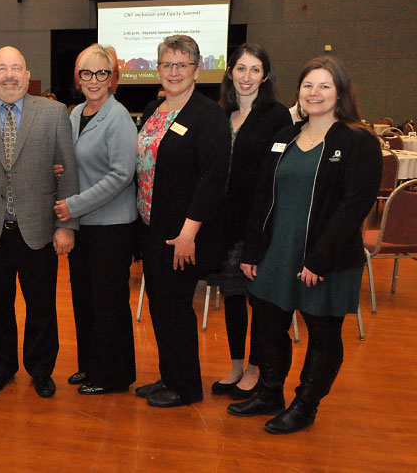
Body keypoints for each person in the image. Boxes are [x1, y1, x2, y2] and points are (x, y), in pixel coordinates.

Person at [228, 57, 382, 434]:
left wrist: (320, 258)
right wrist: (251, 250)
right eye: (308, 86)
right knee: (268, 325)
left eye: (324, 86)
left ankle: (305, 404)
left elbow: (354, 207)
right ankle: (269, 393)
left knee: (323, 333)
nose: (314, 93)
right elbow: (263, 195)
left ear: (340, 93)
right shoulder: (285, 136)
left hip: (326, 258)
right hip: (277, 252)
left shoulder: (357, 141)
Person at [0, 46, 79, 398]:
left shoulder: (55, 114)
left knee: (41, 306)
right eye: (2, 69)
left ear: (27, 76)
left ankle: (41, 370)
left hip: (39, 230)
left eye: (16, 68)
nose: (9, 75)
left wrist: (66, 226)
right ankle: (1, 366)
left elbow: (67, 173)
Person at [133, 35, 231, 408]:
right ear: (158, 69)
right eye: (167, 65)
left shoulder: (209, 116)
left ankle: (187, 387)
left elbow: (212, 179)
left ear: (197, 69)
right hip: (151, 228)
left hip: (183, 234)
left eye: (182, 64)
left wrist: (189, 233)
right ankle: (169, 376)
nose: (174, 72)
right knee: (160, 304)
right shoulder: (154, 108)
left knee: (175, 306)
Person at [53, 44, 137, 394]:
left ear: (112, 77)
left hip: (111, 229)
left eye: (101, 73)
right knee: (85, 300)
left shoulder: (118, 118)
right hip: (84, 227)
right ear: (78, 78)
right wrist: (60, 169)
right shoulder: (74, 115)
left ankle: (112, 376)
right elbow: (74, 163)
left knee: (108, 304)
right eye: (85, 73)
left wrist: (73, 204)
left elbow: (120, 176)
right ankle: (90, 366)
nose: (93, 80)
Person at [212, 43, 292, 400]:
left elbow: (276, 177)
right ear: (230, 73)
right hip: (224, 225)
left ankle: (258, 368)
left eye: (255, 69)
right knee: (231, 295)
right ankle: (236, 364)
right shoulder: (221, 114)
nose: (247, 77)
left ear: (266, 75)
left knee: (257, 300)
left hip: (260, 225)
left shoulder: (276, 116)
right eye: (241, 69)